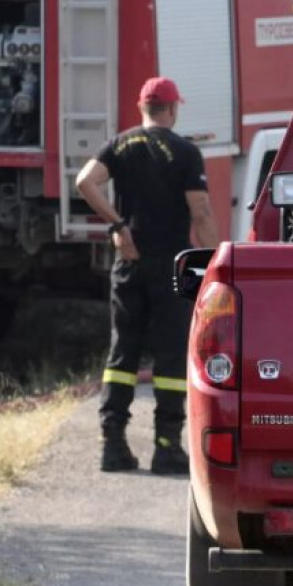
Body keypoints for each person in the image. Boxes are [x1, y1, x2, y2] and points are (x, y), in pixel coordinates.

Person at [75, 77, 220, 474]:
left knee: (123, 351)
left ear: (142, 107)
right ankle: (167, 447)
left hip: (129, 262)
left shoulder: (119, 145)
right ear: (172, 109)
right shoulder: (186, 152)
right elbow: (201, 213)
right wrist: (216, 263)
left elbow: (85, 181)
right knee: (171, 354)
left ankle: (112, 445)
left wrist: (118, 225)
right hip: (173, 264)